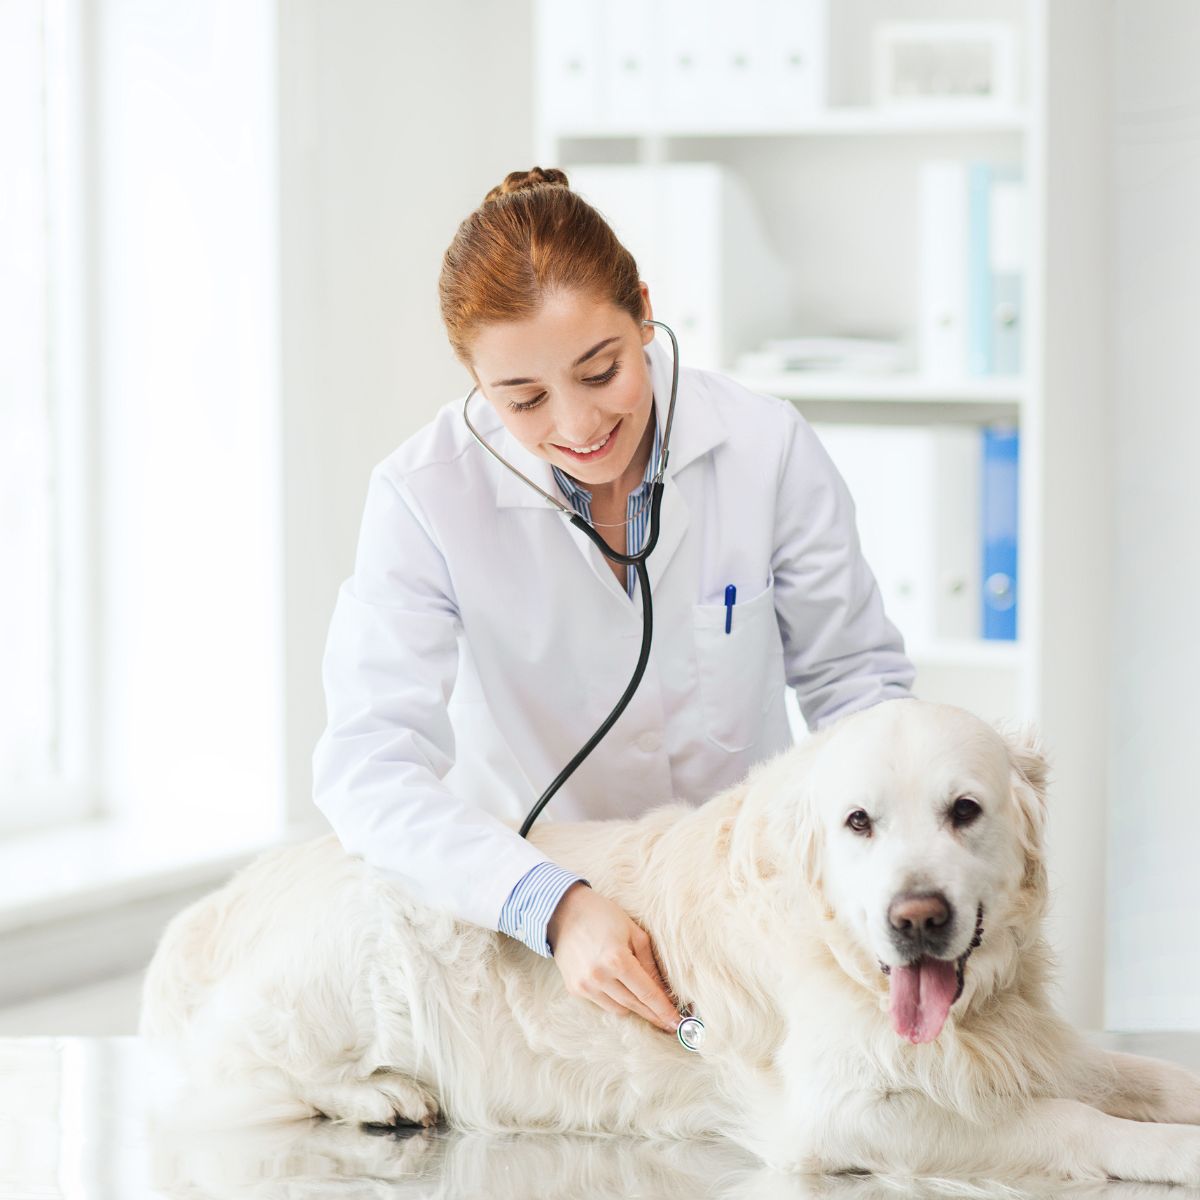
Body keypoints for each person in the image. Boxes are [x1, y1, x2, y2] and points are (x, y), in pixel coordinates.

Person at [312, 166, 916, 1040]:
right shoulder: (422, 495)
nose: (577, 423)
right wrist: (546, 903)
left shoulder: (764, 445)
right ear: (475, 381)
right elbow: (369, 765)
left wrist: (893, 866)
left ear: (642, 308)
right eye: (522, 399)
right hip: (532, 927)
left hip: (746, 902)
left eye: (602, 370)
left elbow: (858, 686)